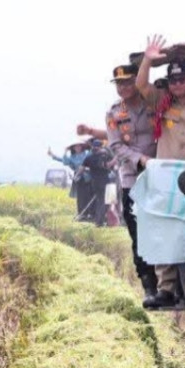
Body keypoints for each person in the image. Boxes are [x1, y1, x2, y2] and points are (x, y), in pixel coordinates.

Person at [135, 34, 185, 308]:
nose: (177, 84)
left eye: (182, 79)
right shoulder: (161, 102)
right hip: (165, 179)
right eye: (173, 80)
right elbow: (141, 85)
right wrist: (147, 60)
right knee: (164, 232)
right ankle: (165, 289)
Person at [78, 64, 159, 303]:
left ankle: (171, 284)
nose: (123, 87)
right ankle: (149, 285)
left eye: (128, 82)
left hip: (161, 175)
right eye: (119, 84)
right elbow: (115, 145)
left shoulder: (155, 103)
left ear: (137, 81)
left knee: (164, 229)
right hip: (132, 178)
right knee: (138, 233)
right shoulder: (114, 113)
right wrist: (140, 159)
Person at [48, 141, 93, 219]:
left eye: (79, 146)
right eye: (76, 147)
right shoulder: (73, 157)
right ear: (73, 148)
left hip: (88, 177)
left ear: (82, 147)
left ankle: (90, 213)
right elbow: (64, 161)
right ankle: (81, 213)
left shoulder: (86, 154)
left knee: (88, 195)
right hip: (78, 178)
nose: (78, 148)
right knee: (80, 197)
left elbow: (93, 156)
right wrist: (54, 155)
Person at [79, 137, 116, 226]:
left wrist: (80, 174)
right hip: (105, 182)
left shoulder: (89, 157)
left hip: (94, 183)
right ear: (100, 147)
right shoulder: (104, 156)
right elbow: (108, 165)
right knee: (105, 202)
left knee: (100, 201)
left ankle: (100, 220)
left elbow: (81, 169)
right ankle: (99, 222)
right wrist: (115, 159)